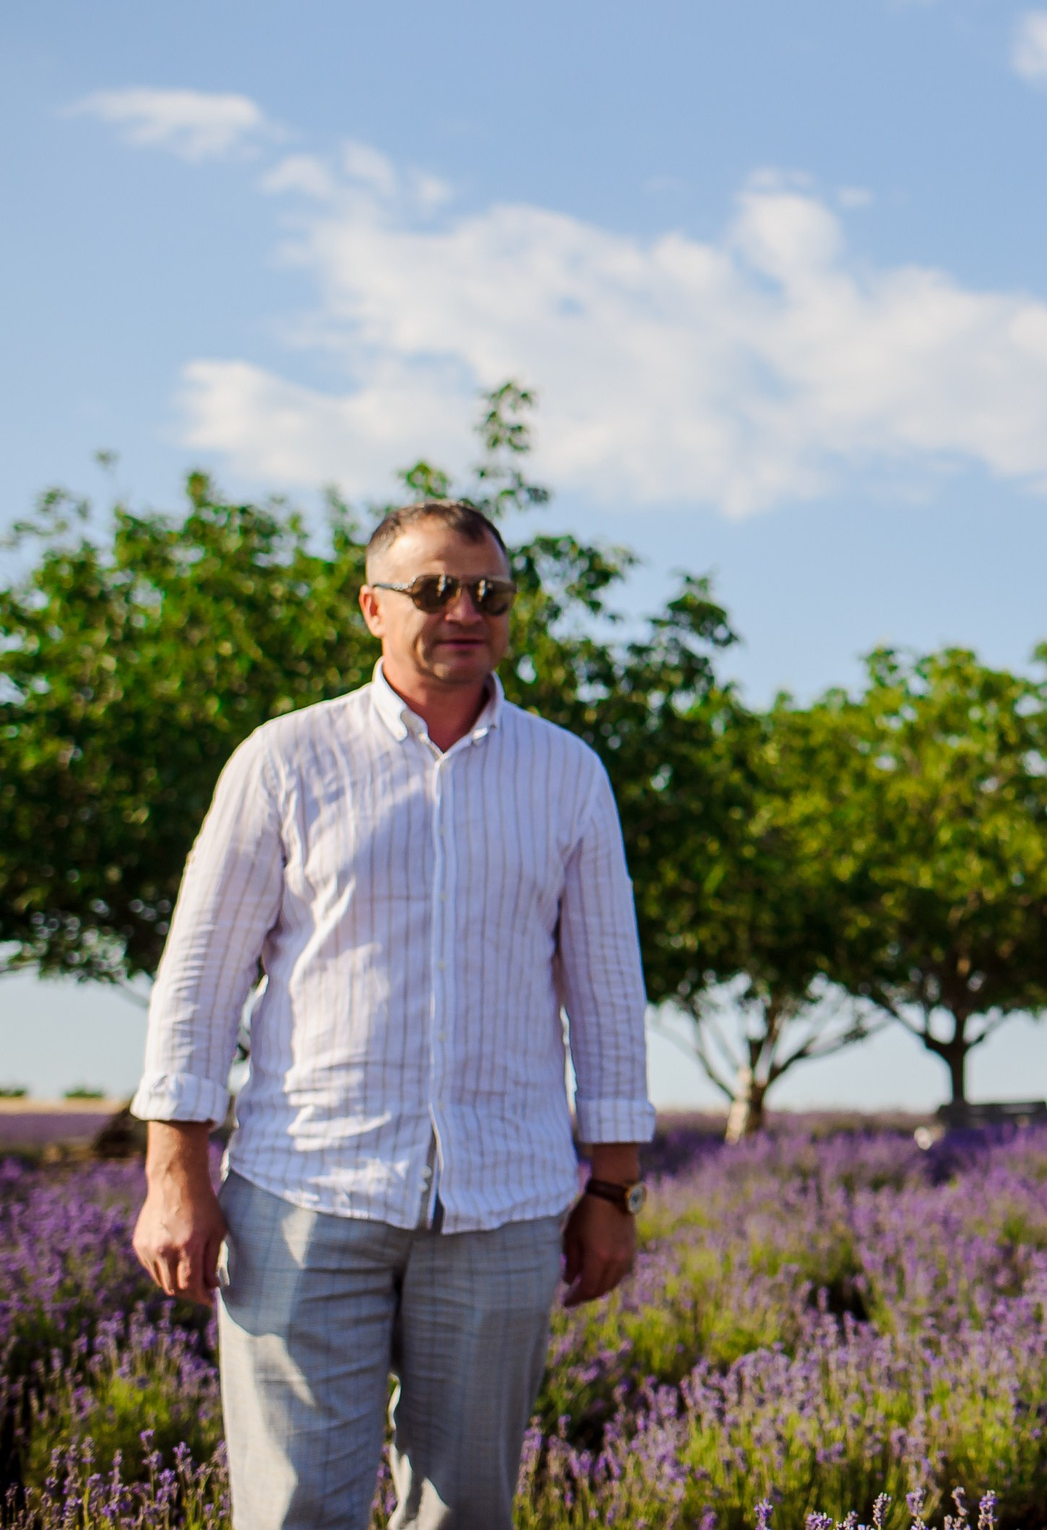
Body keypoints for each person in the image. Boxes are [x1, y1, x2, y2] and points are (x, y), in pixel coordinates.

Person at [128, 500, 655, 1530]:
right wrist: (174, 1173)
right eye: (433, 589)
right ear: (374, 608)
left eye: (488, 593)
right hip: (304, 1192)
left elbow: (605, 991)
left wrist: (613, 1191)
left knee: (465, 1517)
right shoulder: (283, 760)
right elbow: (198, 976)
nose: (465, 609)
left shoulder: (568, 774)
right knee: (292, 1514)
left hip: (504, 1204)